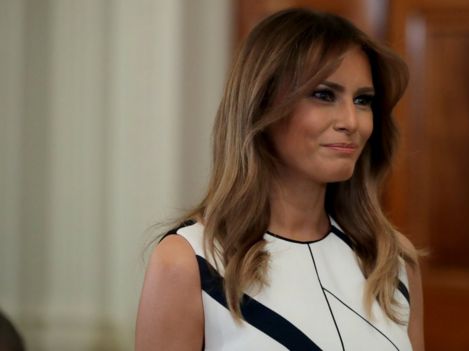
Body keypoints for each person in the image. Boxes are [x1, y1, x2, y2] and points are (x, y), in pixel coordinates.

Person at [136, 7, 424, 351]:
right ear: (261, 105)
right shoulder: (189, 263)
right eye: (324, 94)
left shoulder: (390, 262)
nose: (352, 120)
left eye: (363, 100)